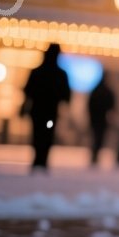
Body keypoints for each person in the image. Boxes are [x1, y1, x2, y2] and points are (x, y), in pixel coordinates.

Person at [20, 45, 72, 173]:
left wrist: (24, 107)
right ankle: (42, 160)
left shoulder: (38, 71)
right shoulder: (60, 74)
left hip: (37, 111)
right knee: (47, 135)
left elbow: (28, 91)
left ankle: (38, 159)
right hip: (50, 112)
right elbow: (66, 95)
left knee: (37, 135)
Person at [87, 75, 117, 166]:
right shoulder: (107, 91)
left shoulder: (95, 90)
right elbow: (112, 105)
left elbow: (89, 105)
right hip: (102, 119)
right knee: (99, 137)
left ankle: (94, 154)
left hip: (95, 119)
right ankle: (95, 153)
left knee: (95, 137)